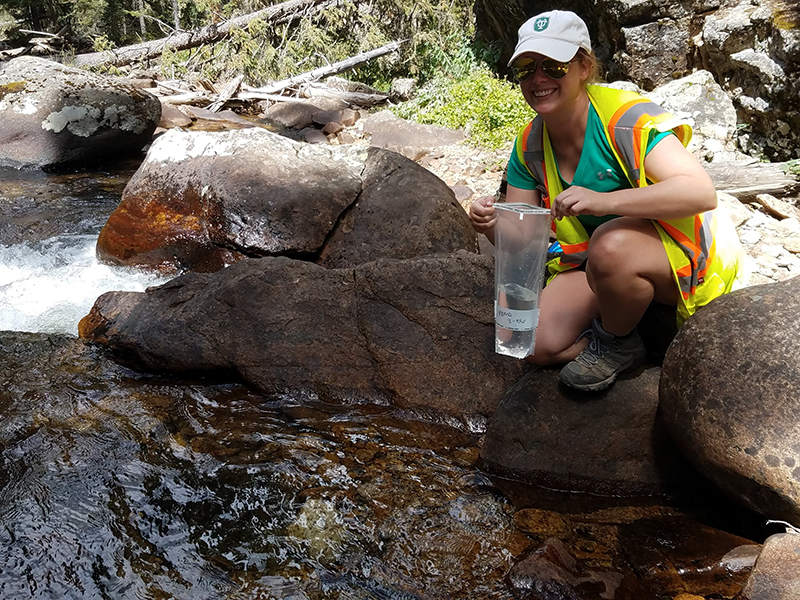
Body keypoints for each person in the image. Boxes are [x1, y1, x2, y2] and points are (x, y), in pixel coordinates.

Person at [469, 10, 745, 391]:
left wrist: (604, 201)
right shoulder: (529, 144)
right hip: (592, 266)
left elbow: (699, 192)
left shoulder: (625, 120)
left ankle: (615, 344)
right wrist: (493, 225)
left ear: (584, 66)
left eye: (554, 65)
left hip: (685, 257)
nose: (539, 79)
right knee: (529, 341)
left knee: (611, 244)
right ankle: (630, 338)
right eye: (526, 69)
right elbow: (520, 243)